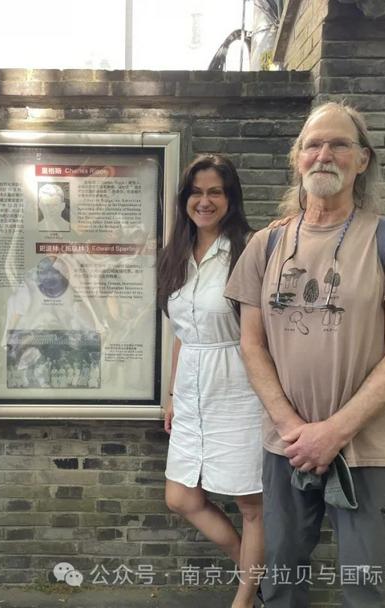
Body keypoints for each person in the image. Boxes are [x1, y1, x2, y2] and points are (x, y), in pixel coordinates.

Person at [225, 102, 385, 607]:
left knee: (365, 590)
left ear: (362, 160)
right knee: (280, 584)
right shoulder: (266, 245)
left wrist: (333, 432)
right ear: (297, 158)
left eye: (340, 144)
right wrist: (291, 428)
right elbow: (251, 344)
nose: (325, 154)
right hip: (288, 449)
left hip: (371, 452)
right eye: (313, 144)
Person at [158, 154, 264, 608]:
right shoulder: (178, 255)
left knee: (250, 504)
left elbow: (263, 332)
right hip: (192, 388)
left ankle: (245, 595)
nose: (205, 201)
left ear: (230, 198)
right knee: (180, 496)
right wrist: (172, 396)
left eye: (215, 192)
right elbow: (184, 332)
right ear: (185, 200)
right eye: (196, 192)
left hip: (240, 386)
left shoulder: (250, 249)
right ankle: (258, 570)